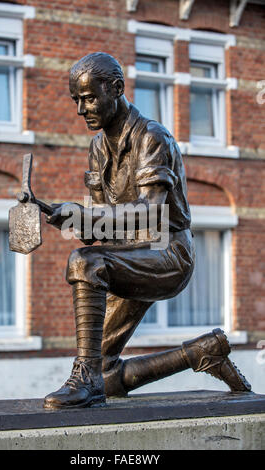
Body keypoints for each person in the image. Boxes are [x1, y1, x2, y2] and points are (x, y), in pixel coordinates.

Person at [43, 52, 251, 409]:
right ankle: (202, 352)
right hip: (127, 252)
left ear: (117, 89)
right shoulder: (97, 148)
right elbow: (103, 227)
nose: (81, 109)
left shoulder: (152, 137)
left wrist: (87, 218)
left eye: (89, 98)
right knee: (104, 374)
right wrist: (71, 218)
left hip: (167, 252)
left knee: (83, 261)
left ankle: (85, 377)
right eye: (76, 100)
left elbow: (152, 214)